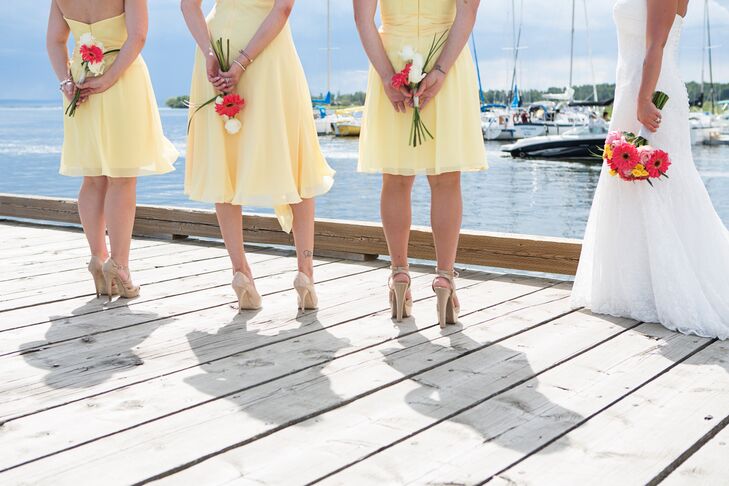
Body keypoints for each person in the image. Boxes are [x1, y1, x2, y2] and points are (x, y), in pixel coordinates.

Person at [572, 0, 729, 338]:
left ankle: (673, 288)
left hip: (652, 90)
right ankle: (636, 288)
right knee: (631, 187)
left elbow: (656, 43)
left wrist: (643, 100)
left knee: (660, 185)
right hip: (631, 86)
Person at [181, 0, 335, 311]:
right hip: (266, 51)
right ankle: (305, 274)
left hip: (216, 45)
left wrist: (210, 52)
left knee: (225, 162)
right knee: (295, 159)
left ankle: (241, 273)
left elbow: (188, 6)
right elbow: (283, 9)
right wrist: (241, 63)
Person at [354, 0, 487, 328]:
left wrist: (387, 76)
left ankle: (399, 275)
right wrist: (440, 71)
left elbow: (362, 18)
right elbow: (468, 11)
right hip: (446, 58)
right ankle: (444, 278)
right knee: (445, 181)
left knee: (396, 179)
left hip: (394, 57)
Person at [46, 0, 178, 300]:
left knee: (92, 178)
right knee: (122, 178)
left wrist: (65, 81)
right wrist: (110, 77)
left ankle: (97, 256)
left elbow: (55, 40)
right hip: (120, 80)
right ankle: (119, 265)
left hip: (80, 84)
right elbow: (138, 36)